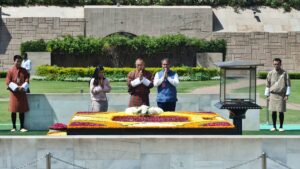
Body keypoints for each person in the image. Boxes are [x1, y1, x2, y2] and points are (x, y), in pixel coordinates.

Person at [265, 58, 291, 132]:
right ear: (273, 64)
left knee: (281, 111)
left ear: (280, 64)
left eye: (278, 64)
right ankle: (274, 126)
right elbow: (267, 85)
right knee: (273, 111)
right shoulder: (270, 73)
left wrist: (287, 95)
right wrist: (267, 95)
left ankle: (281, 127)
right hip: (272, 94)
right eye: (275, 64)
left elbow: (288, 85)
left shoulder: (284, 73)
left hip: (281, 95)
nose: (276, 65)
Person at [6, 55, 30, 132]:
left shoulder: (24, 70)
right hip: (14, 93)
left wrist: (23, 87)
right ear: (14, 61)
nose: (18, 63)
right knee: (13, 110)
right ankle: (13, 127)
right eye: (17, 61)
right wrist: (16, 87)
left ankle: (22, 127)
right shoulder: (10, 70)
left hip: (22, 92)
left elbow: (27, 79)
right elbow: (8, 81)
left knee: (21, 110)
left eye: (20, 61)